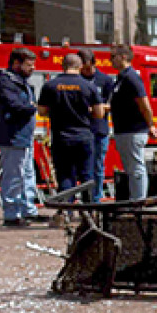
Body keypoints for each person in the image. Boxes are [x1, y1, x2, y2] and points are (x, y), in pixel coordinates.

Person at [0, 47, 44, 226]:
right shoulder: (6, 82)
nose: (32, 69)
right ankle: (12, 214)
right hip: (12, 135)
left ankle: (28, 210)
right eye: (29, 65)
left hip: (23, 135)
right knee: (14, 175)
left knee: (27, 173)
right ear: (16, 64)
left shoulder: (21, 82)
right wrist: (34, 107)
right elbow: (16, 105)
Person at [38, 53, 103, 202]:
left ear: (62, 66)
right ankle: (89, 213)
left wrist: (56, 112)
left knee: (65, 175)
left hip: (61, 137)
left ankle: (67, 211)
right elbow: (99, 113)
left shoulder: (50, 85)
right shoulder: (89, 86)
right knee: (87, 176)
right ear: (80, 66)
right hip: (84, 137)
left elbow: (41, 111)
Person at [108, 43, 156, 202]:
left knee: (136, 168)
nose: (110, 61)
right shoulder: (121, 78)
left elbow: (144, 103)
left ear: (124, 57)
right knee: (130, 168)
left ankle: (139, 200)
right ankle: (134, 198)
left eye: (112, 57)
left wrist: (150, 124)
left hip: (133, 130)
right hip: (123, 130)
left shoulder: (131, 77)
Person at [80, 52, 114, 200]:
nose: (87, 72)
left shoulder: (105, 80)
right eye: (84, 68)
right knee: (83, 168)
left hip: (99, 129)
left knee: (98, 166)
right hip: (81, 129)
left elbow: (111, 105)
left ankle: (96, 198)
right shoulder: (77, 80)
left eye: (89, 68)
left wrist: (95, 108)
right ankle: (85, 198)